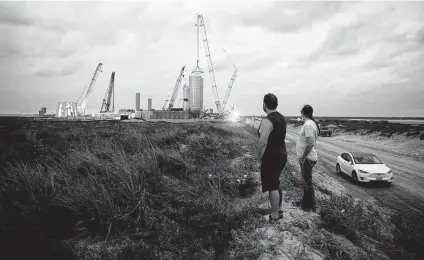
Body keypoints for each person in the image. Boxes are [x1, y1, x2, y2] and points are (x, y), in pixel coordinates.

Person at [256, 93, 288, 223]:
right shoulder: (282, 118)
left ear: (264, 105)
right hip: (282, 154)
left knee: (272, 185)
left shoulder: (267, 120)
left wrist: (259, 157)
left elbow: (262, 142)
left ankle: (275, 215)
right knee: (276, 181)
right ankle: (279, 209)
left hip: (272, 156)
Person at [294, 104, 320, 211]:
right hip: (308, 158)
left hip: (307, 159)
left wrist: (303, 157)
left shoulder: (308, 125)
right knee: (306, 182)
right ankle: (306, 202)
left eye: (301, 112)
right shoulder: (311, 123)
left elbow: (310, 144)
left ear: (303, 113)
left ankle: (308, 205)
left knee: (307, 183)